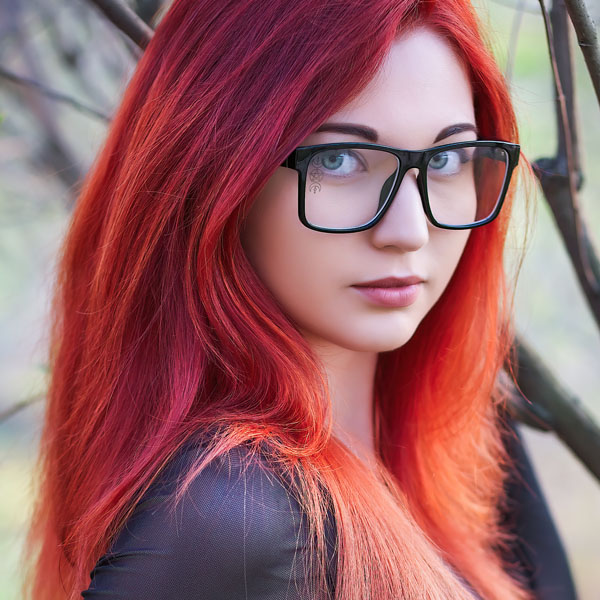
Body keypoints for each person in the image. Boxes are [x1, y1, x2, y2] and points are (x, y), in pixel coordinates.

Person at [21, 0, 578, 599]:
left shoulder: (469, 432)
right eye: (339, 159)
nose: (409, 230)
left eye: (445, 159)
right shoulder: (233, 513)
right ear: (216, 177)